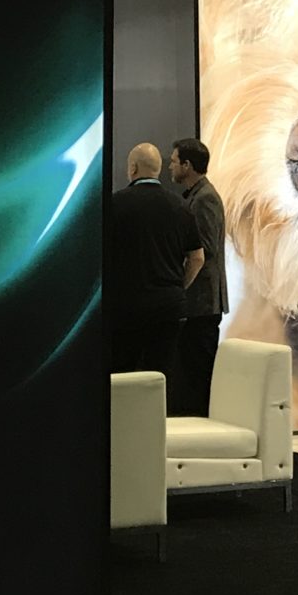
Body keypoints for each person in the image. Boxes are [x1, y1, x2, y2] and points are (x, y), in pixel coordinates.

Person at [106, 142, 203, 381]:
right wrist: (178, 286)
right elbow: (197, 257)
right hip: (169, 308)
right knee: (159, 377)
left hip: (126, 307)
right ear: (158, 169)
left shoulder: (115, 204)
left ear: (133, 168)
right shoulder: (181, 206)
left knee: (122, 377)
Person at [166, 137, 228, 417]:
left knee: (198, 372)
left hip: (202, 303)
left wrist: (180, 287)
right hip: (199, 304)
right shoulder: (196, 196)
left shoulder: (204, 199)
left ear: (187, 165)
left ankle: (200, 422)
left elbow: (204, 251)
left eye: (174, 161)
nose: (170, 166)